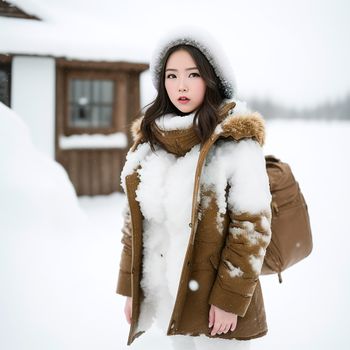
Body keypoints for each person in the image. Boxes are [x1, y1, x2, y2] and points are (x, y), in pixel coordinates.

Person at [115, 26, 272, 350]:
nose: (181, 85)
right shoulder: (149, 145)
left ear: (211, 80)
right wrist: (133, 289)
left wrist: (229, 299)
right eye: (171, 76)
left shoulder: (235, 142)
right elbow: (135, 227)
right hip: (170, 301)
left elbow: (251, 228)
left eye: (193, 74)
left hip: (219, 310)